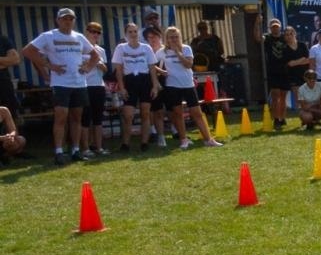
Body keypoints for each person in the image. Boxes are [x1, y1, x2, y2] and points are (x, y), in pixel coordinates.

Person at [23, 8, 95, 164]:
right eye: (64, 19)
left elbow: (95, 54)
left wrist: (87, 67)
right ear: (58, 20)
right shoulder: (49, 36)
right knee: (61, 117)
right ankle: (59, 151)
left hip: (79, 82)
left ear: (74, 21)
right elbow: (28, 51)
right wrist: (49, 66)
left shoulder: (80, 37)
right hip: (61, 83)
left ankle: (75, 150)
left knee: (76, 117)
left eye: (70, 19)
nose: (67, 22)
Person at [157, 26, 223, 149]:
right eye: (171, 37)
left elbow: (188, 65)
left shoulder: (186, 49)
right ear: (167, 39)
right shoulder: (161, 52)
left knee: (197, 112)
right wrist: (161, 71)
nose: (174, 39)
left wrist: (178, 52)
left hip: (188, 84)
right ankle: (183, 139)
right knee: (177, 113)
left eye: (176, 37)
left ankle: (208, 139)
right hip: (172, 85)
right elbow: (151, 64)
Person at [113, 21, 157, 152]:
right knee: (128, 115)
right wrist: (121, 87)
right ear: (126, 34)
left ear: (138, 33)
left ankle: (144, 142)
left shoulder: (146, 48)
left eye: (135, 31)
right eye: (130, 32)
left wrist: (155, 86)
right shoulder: (121, 48)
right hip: (129, 81)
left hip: (144, 80)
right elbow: (119, 70)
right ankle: (125, 143)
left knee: (145, 113)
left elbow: (152, 68)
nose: (133, 34)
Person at [80, 21, 109, 157]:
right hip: (85, 85)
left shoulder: (101, 50)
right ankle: (85, 148)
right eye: (93, 31)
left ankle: (98, 147)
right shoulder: (80, 48)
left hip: (98, 85)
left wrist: (97, 62)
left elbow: (105, 69)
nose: (95, 34)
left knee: (98, 118)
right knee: (85, 119)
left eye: (98, 32)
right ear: (87, 32)